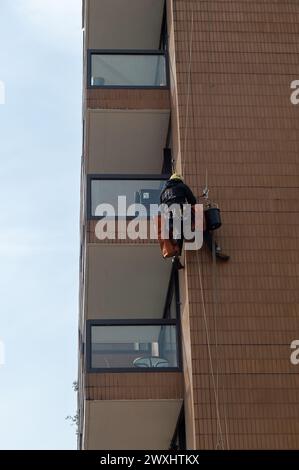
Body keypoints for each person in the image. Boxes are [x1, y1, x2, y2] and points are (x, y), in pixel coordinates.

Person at [160, 173, 229, 267]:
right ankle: (215, 250)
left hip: (170, 220)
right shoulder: (182, 186)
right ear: (179, 180)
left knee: (179, 234)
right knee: (202, 227)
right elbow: (192, 201)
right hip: (181, 213)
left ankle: (176, 258)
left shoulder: (163, 193)